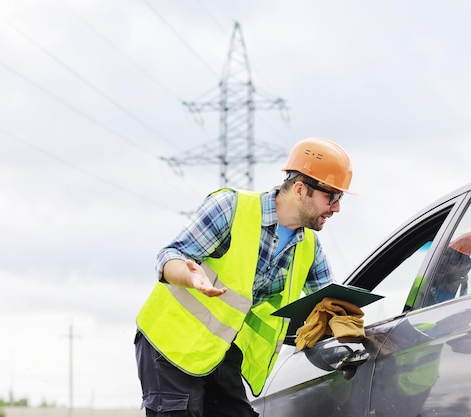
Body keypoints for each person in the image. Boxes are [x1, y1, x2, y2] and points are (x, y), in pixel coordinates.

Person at [134, 137, 354, 417]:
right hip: (171, 344)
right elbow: (170, 257)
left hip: (220, 352)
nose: (336, 208)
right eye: (331, 197)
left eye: (339, 198)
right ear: (300, 189)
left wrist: (368, 334)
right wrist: (191, 277)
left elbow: (330, 303)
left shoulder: (308, 245)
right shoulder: (231, 207)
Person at [426, 231, 471, 305]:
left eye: (454, 258)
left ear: (469, 267)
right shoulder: (421, 283)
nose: (443, 261)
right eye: (447, 253)